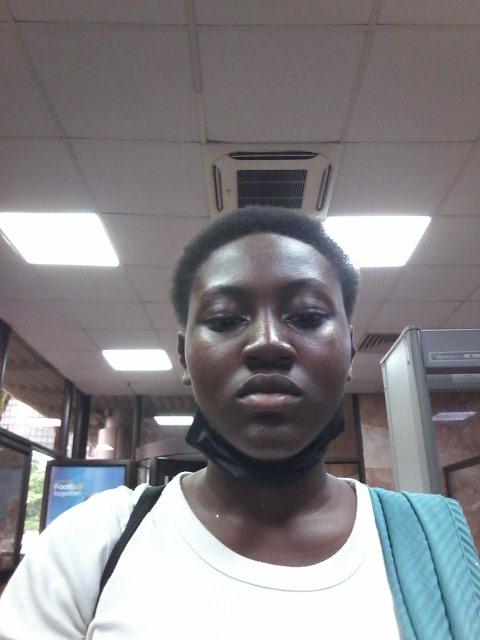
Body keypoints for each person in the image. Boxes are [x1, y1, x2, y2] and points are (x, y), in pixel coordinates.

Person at [0, 206, 477, 639]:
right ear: (184, 357)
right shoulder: (90, 544)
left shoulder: (433, 540)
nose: (268, 343)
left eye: (307, 316)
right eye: (226, 320)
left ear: (351, 349)